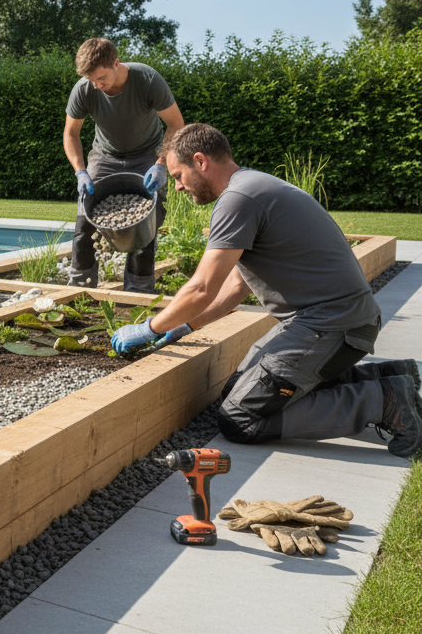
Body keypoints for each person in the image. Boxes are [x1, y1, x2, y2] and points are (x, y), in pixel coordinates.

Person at [111, 123, 422, 458]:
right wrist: (185, 327)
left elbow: (202, 287)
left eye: (177, 175)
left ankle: (385, 401)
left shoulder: (238, 200)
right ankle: (392, 376)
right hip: (331, 323)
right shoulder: (252, 187)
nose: (177, 186)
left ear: (200, 161)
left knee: (240, 418)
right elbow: (233, 287)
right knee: (236, 389)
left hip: (333, 326)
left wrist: (148, 328)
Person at [64, 37, 185, 293]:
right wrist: (81, 171)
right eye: (91, 80)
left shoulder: (147, 80)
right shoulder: (85, 88)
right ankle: (79, 288)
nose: (97, 86)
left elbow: (176, 124)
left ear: (116, 64)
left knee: (146, 224)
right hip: (104, 156)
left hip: (146, 156)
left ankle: (138, 291)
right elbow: (70, 134)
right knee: (85, 220)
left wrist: (161, 163)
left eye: (101, 79)